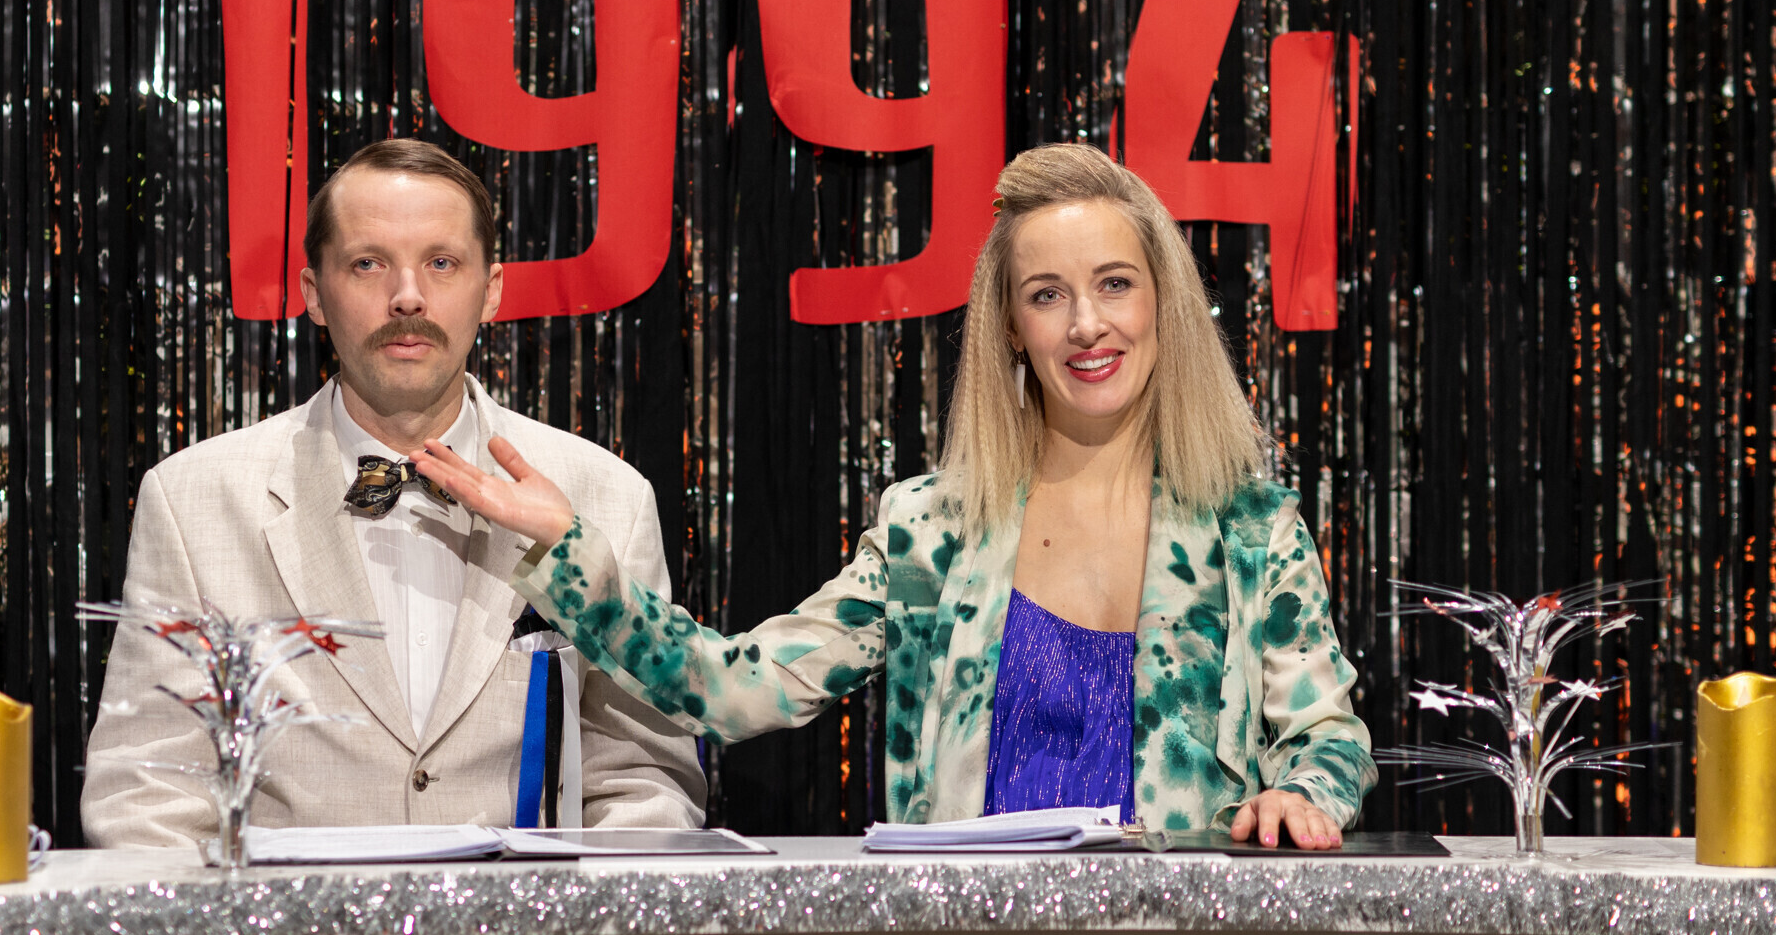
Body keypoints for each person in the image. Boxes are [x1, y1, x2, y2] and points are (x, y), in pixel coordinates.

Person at [413, 142, 1374, 848]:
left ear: (1161, 300)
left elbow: (1329, 736)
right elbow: (732, 689)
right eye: (1047, 294)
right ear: (1010, 326)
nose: (1088, 324)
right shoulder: (931, 532)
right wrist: (568, 551)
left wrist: (1304, 795)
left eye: (1115, 284)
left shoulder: (1253, 529)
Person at [81, 139, 705, 847]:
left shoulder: (607, 497)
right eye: (368, 264)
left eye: (441, 263)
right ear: (314, 293)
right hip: (284, 920)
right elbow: (147, 790)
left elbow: (644, 780)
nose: (407, 296)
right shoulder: (194, 499)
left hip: (531, 918)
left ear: (491, 290)